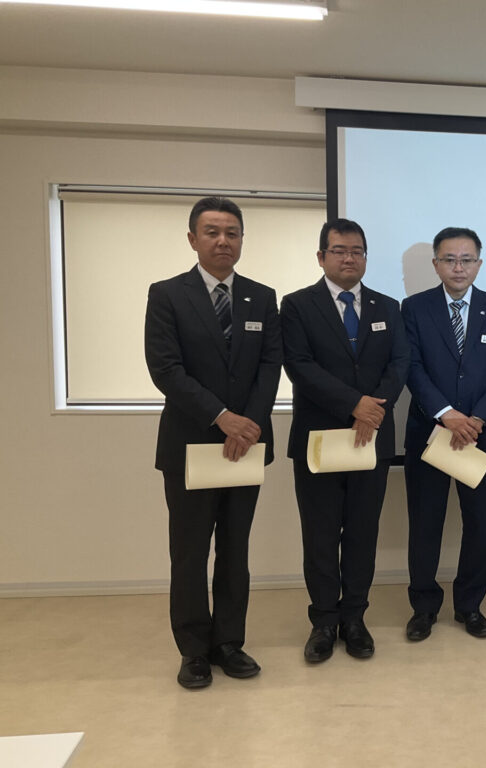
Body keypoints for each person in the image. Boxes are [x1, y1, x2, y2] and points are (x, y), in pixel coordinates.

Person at [144, 196, 282, 689]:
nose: (223, 241)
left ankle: (228, 643)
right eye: (213, 232)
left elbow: (270, 365)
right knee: (189, 552)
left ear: (242, 240)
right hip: (191, 445)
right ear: (193, 239)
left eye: (232, 233)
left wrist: (249, 424)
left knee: (234, 550)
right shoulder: (167, 294)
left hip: (246, 445)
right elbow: (166, 369)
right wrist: (222, 418)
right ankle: (193, 651)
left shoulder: (261, 297)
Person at [281, 218, 409, 664]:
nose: (348, 258)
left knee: (361, 533)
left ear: (365, 258)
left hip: (371, 440)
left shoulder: (387, 306)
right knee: (319, 536)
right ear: (321, 257)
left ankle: (354, 618)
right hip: (319, 440)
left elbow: (400, 363)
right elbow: (299, 365)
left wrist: (374, 409)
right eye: (339, 250)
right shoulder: (297, 305)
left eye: (357, 251)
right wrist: (354, 404)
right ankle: (323, 622)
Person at [401, 227, 486, 641]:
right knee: (425, 523)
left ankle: (470, 605)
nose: (458, 267)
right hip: (430, 431)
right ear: (436, 264)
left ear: (479, 264)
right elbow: (412, 367)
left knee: (479, 524)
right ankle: (424, 607)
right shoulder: (414, 308)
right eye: (449, 259)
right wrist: (447, 415)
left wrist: (477, 418)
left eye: (467, 260)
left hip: (481, 435)